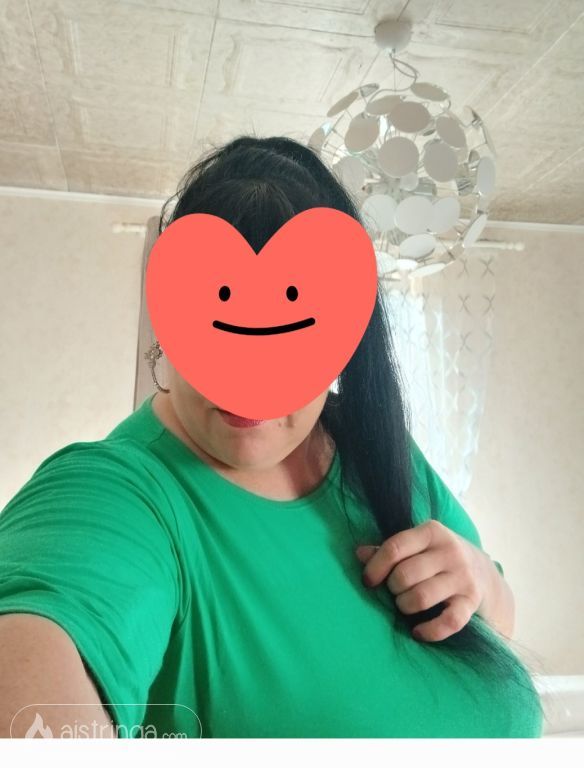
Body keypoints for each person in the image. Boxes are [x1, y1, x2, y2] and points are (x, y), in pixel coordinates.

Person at [0, 136, 544, 738]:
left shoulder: (380, 451)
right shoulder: (115, 493)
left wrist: (480, 580)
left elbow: (499, 618)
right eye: (221, 322)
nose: (247, 381)